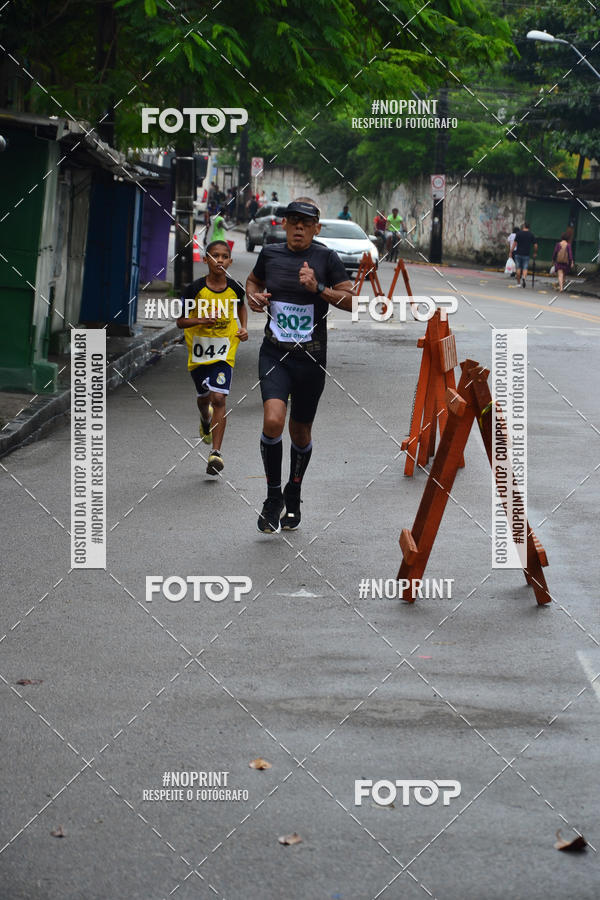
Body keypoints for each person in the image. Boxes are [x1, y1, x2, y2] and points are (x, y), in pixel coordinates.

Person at [246, 197, 354, 533]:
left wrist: (318, 288)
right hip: (274, 353)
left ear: (316, 228)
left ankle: (294, 491)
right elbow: (253, 283)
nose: (299, 228)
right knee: (273, 419)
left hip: (310, 357)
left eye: (306, 223)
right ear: (284, 225)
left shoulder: (326, 258)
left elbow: (352, 301)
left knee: (300, 431)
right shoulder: (271, 254)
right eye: (293, 221)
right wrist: (253, 297)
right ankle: (272, 496)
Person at [176, 241, 248, 475]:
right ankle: (204, 420)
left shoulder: (235, 288)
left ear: (230, 261)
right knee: (204, 398)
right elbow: (180, 321)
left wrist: (243, 328)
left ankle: (215, 454)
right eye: (214, 256)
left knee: (219, 398)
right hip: (199, 351)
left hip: (224, 351)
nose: (220, 260)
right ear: (206, 259)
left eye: (224, 256)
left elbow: (241, 307)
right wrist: (201, 320)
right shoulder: (194, 289)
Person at [511, 222, 537, 288]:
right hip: (526, 254)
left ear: (524, 226)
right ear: (529, 227)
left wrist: (511, 251)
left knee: (518, 268)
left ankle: (519, 283)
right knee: (525, 268)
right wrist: (535, 252)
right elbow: (535, 245)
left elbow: (514, 243)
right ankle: (524, 277)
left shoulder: (519, 233)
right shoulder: (531, 234)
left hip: (518, 253)